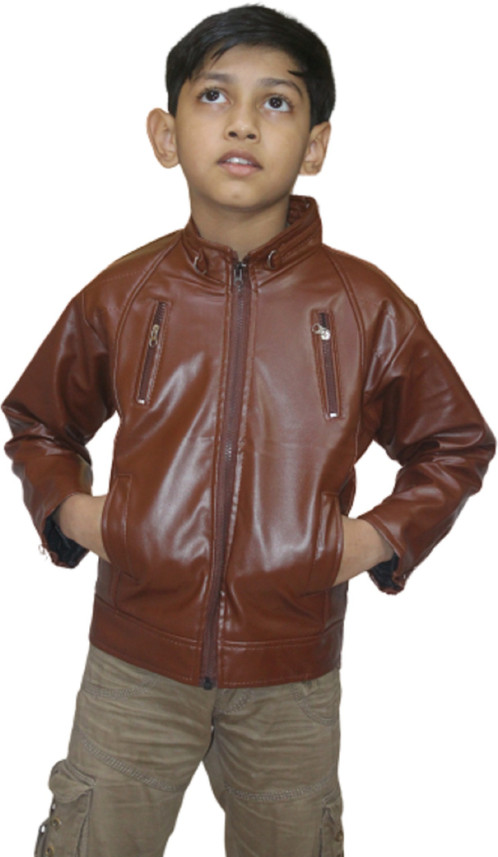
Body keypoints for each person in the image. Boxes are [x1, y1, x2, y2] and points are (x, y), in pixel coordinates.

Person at [2, 4, 495, 856]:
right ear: (165, 135)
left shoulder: (364, 305)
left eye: (276, 101)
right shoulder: (124, 294)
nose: (241, 122)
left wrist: (374, 538)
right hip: (132, 669)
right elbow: (40, 419)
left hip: (291, 683)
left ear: (316, 144)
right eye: (213, 95)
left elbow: (455, 443)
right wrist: (74, 512)